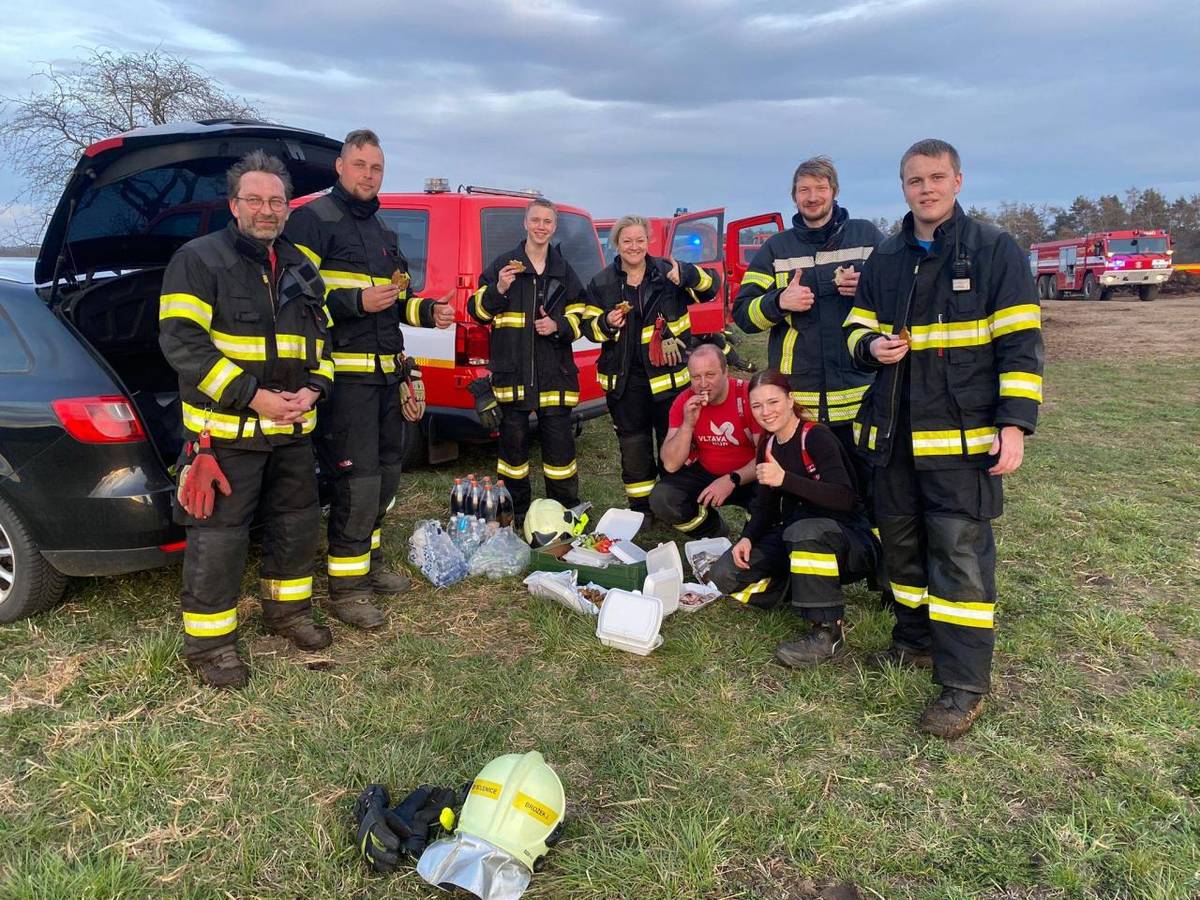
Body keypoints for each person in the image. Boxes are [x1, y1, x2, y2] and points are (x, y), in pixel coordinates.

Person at [843, 138, 1044, 739]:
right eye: (913, 180)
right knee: (902, 550)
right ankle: (914, 641)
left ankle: (962, 684)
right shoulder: (886, 257)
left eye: (935, 177)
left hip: (961, 441)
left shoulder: (993, 252)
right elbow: (858, 327)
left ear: (958, 181)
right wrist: (871, 347)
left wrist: (1015, 423)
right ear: (902, 188)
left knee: (958, 556)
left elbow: (1020, 343)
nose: (925, 188)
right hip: (895, 439)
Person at [159, 150, 335, 689]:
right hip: (227, 434)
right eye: (255, 199)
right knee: (219, 540)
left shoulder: (303, 264)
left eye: (276, 200)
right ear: (235, 205)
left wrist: (313, 388)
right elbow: (182, 344)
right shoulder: (198, 259)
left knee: (296, 526)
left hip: (293, 431)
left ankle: (287, 614)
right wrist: (253, 397)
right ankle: (211, 647)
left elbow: (324, 342)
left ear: (287, 207)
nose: (267, 209)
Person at [285, 129, 454, 629]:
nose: (368, 175)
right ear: (340, 167)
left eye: (376, 168)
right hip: (344, 384)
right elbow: (296, 298)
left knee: (386, 478)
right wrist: (354, 302)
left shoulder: (382, 231)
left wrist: (432, 314)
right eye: (360, 165)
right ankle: (348, 589)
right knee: (356, 484)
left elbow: (397, 300)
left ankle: (369, 565)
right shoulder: (311, 221)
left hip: (387, 380)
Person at [709, 371, 879, 660]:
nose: (766, 412)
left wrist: (785, 479)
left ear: (790, 400)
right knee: (724, 575)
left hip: (846, 538)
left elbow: (845, 498)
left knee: (805, 531)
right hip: (794, 535)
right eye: (757, 406)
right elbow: (764, 506)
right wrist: (747, 538)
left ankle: (827, 634)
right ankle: (806, 588)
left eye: (773, 401)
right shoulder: (768, 445)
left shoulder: (816, 437)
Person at [732, 156, 884, 450]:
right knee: (809, 488)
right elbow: (743, 315)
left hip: (860, 393)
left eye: (820, 188)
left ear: (835, 191)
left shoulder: (866, 237)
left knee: (863, 488)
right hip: (800, 400)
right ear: (794, 196)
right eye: (804, 190)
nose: (812, 197)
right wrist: (780, 301)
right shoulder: (777, 249)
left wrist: (868, 287)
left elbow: (902, 293)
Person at [584, 215, 721, 518]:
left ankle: (674, 504)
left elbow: (712, 287)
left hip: (670, 382)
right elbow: (587, 328)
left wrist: (685, 274)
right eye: (627, 241)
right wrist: (606, 322)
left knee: (676, 443)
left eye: (640, 240)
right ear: (616, 243)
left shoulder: (667, 273)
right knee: (634, 448)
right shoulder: (602, 282)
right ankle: (642, 512)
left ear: (648, 242)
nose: (634, 246)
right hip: (625, 382)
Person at [469, 199, 587, 522]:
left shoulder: (563, 270)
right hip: (513, 375)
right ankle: (516, 514)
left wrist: (558, 325)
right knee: (513, 453)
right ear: (525, 223)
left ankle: (563, 514)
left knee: (560, 451)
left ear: (554, 227)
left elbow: (584, 313)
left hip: (555, 376)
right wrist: (499, 288)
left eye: (547, 221)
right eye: (535, 220)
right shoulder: (505, 265)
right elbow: (476, 311)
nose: (541, 226)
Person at [649, 344, 758, 538]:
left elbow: (766, 456)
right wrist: (688, 425)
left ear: (726, 372)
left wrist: (732, 479)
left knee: (774, 495)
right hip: (707, 472)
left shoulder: (748, 396)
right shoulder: (685, 401)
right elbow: (671, 464)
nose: (703, 384)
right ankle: (714, 533)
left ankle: (753, 539)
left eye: (710, 375)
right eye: (696, 377)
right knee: (663, 498)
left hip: (748, 476)